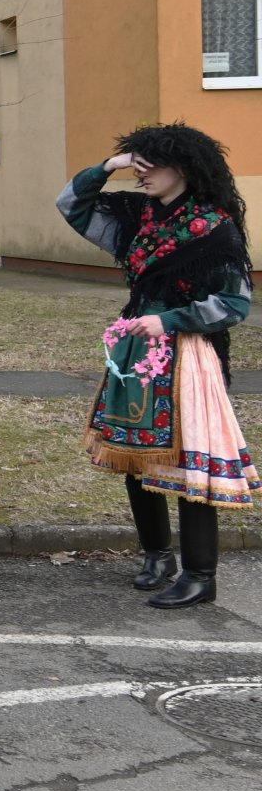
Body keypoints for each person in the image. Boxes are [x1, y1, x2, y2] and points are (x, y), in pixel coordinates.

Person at [58, 123, 256, 609]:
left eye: (151, 164)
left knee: (188, 462)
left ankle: (200, 576)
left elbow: (234, 304)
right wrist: (109, 166)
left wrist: (168, 319)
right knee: (134, 455)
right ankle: (157, 556)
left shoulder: (213, 228)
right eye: (137, 163)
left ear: (183, 168)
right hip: (137, 350)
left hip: (188, 354)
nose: (141, 173)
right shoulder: (138, 218)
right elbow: (71, 204)